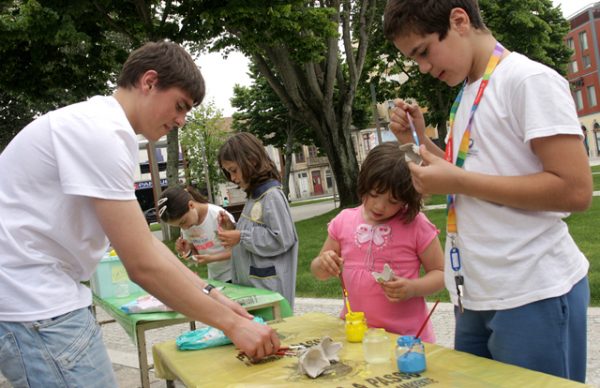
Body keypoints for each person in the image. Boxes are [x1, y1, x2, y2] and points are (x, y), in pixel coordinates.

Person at [0, 40, 279, 387]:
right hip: (34, 302)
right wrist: (233, 325)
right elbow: (142, 265)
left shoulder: (100, 125)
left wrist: (216, 297)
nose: (181, 120)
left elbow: (147, 247)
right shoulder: (100, 133)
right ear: (149, 82)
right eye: (180, 106)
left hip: (38, 295)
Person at [383, 0, 592, 382]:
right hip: (475, 294)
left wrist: (458, 181)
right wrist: (413, 142)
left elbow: (575, 190)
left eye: (424, 52)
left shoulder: (527, 80)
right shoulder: (467, 91)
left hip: (531, 292)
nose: (425, 68)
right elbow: (463, 173)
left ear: (459, 20)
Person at [310, 142, 444, 342]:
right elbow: (318, 271)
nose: (380, 206)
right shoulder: (344, 221)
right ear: (363, 183)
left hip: (406, 339)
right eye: (374, 194)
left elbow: (441, 274)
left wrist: (413, 288)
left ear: (408, 198)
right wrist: (322, 263)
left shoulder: (415, 224)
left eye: (393, 201)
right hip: (357, 334)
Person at [217, 132, 298, 309]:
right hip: (256, 290)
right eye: (228, 172)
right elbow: (255, 231)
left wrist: (241, 237)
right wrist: (233, 229)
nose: (232, 178)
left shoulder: (272, 196)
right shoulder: (255, 197)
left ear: (251, 161)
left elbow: (282, 238)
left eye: (233, 170)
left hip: (270, 293)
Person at [158, 185, 234, 283]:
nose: (184, 228)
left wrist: (211, 259)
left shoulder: (218, 216)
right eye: (179, 226)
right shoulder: (188, 224)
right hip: (216, 279)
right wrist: (187, 253)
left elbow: (237, 251)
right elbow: (194, 257)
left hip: (235, 274)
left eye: (183, 222)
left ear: (191, 205)